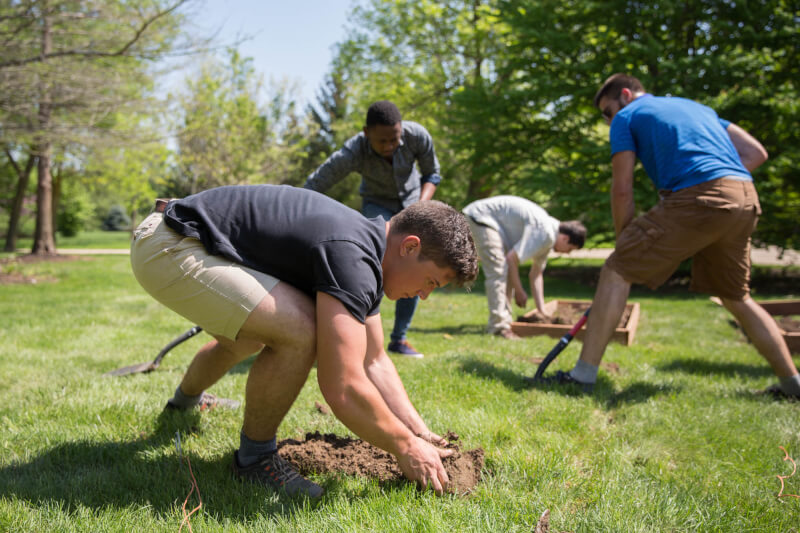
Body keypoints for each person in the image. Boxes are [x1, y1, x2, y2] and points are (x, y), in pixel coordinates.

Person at [130, 184, 478, 498]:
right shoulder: (353, 256)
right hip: (169, 244)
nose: (426, 295)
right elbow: (342, 385)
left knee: (253, 335)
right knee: (301, 331)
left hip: (179, 237)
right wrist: (406, 447)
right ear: (410, 246)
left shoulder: (367, 253)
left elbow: (374, 361)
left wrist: (418, 431)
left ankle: (184, 403)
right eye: (431, 281)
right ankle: (255, 459)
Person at [545, 73, 800, 399]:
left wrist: (625, 239)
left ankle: (582, 377)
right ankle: (794, 386)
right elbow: (755, 153)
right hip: (745, 198)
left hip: (701, 199)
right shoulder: (698, 108)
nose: (610, 122)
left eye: (608, 112)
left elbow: (622, 190)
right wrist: (721, 182)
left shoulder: (628, 116)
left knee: (616, 269)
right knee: (737, 297)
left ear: (625, 95)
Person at [304, 100, 441, 359]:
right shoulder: (354, 150)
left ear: (401, 129)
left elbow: (432, 175)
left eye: (395, 139)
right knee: (368, 263)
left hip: (413, 204)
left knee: (414, 267)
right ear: (367, 134)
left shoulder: (417, 136)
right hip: (377, 207)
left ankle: (399, 339)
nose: (390, 146)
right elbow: (318, 181)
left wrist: (420, 209)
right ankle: (357, 335)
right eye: (382, 141)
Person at [462, 196, 586, 339]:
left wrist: (542, 311)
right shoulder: (545, 232)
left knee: (504, 270)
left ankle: (504, 322)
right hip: (481, 217)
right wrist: (519, 291)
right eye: (570, 249)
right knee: (498, 269)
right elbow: (511, 259)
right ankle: (499, 327)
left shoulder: (549, 237)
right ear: (565, 238)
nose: (567, 253)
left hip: (490, 221)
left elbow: (536, 274)